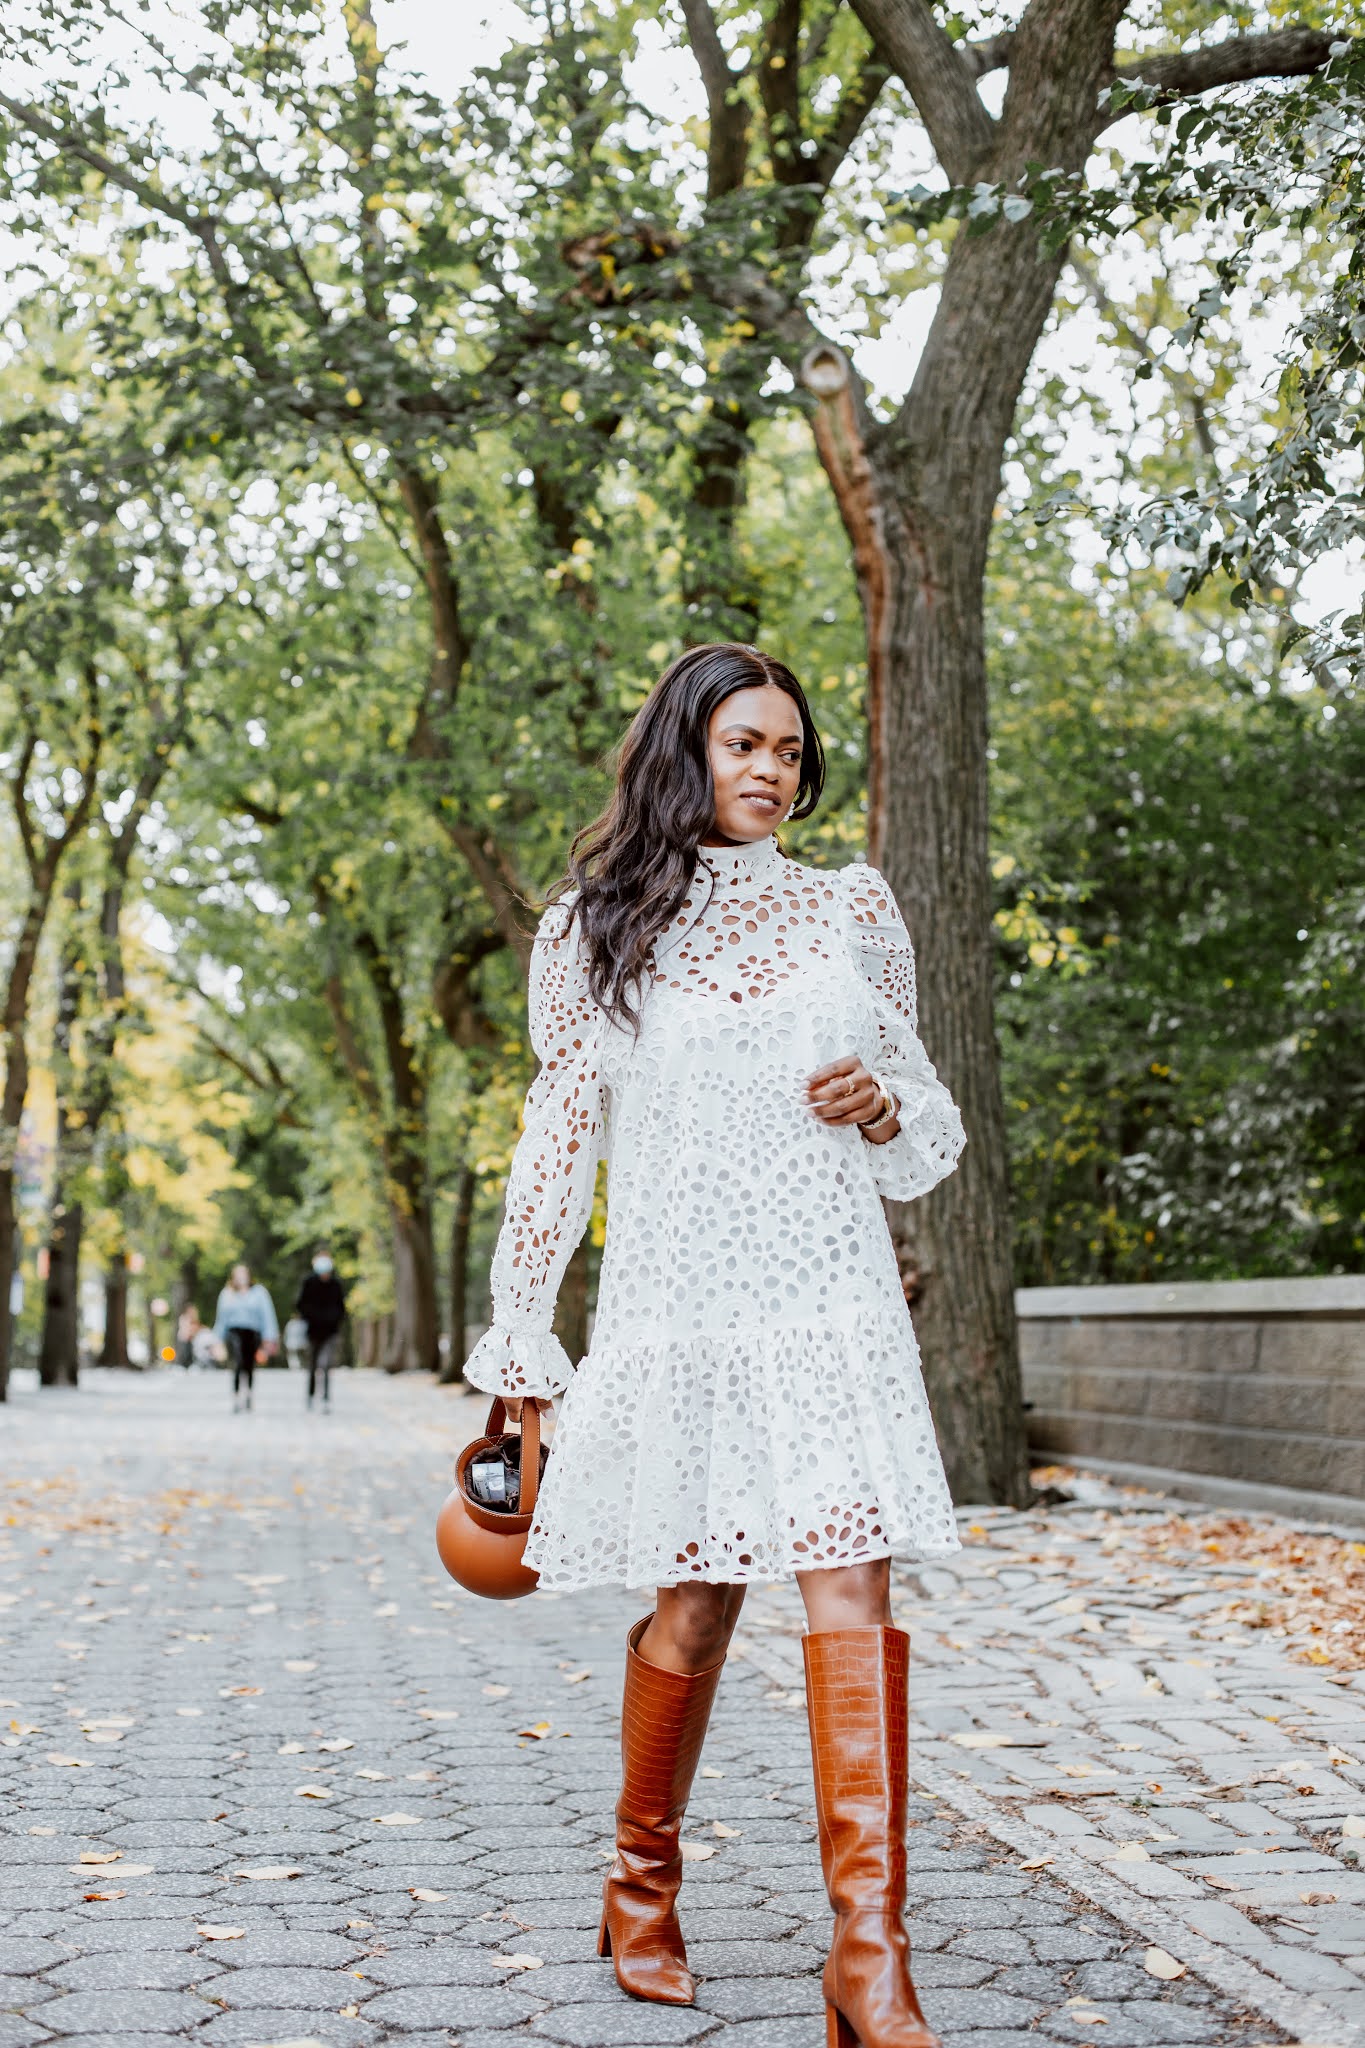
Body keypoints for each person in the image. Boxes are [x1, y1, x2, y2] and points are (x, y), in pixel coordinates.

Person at [465, 644, 966, 2048]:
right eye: (745, 742)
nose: (770, 770)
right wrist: (522, 1328)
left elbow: (925, 1136)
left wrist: (875, 1104)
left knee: (849, 1602)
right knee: (695, 1613)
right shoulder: (594, 931)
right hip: (678, 1313)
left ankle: (868, 1956)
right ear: (682, 748)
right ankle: (640, 1885)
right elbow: (556, 1144)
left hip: (826, 1306)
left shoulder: (847, 912)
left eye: (792, 754)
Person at [212, 1263, 279, 1412]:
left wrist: (269, 1338)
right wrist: (217, 1341)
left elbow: (267, 1316)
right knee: (237, 1362)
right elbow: (221, 1319)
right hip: (234, 1332)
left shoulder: (259, 1293)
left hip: (252, 1332)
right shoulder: (227, 1294)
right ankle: (236, 1395)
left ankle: (248, 1393)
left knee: (249, 1365)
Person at [295, 1246, 346, 1410]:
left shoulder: (336, 1284)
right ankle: (310, 1395)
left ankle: (325, 1397)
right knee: (313, 1364)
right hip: (313, 1330)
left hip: (331, 1331)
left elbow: (341, 1308)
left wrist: (333, 1319)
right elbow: (301, 1305)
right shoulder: (309, 1283)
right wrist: (312, 1317)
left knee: (326, 1364)